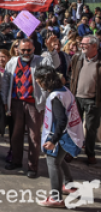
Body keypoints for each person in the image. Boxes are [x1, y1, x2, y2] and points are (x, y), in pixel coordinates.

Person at [2, 38, 56, 178]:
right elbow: (6, 82)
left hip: (34, 104)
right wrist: (5, 101)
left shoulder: (41, 61)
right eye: (23, 50)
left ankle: (32, 166)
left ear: (33, 49)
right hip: (16, 103)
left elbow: (53, 66)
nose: (26, 53)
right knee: (15, 134)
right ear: (17, 49)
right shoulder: (12, 62)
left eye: (29, 50)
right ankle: (16, 161)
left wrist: (50, 50)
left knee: (34, 136)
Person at [34, 65, 85, 208]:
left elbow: (61, 120)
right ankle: (70, 185)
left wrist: (52, 141)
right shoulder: (64, 90)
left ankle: (56, 198)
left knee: (52, 161)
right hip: (70, 132)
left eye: (38, 81)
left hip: (63, 135)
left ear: (45, 81)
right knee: (59, 159)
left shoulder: (55, 96)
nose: (38, 84)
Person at [68, 35, 101, 165]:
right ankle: (72, 152)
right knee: (74, 127)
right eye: (81, 44)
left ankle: (90, 153)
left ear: (94, 46)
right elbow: (71, 74)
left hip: (93, 100)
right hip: (76, 98)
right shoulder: (77, 57)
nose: (81, 46)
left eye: (84, 44)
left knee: (91, 128)